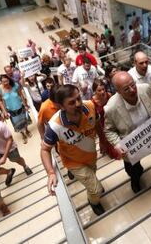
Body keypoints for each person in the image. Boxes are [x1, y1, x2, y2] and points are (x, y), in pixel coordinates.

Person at [41, 85, 106, 215]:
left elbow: (97, 123)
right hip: (73, 162)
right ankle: (94, 202)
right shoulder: (55, 126)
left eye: (78, 98)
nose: (78, 104)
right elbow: (45, 150)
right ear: (61, 106)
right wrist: (51, 173)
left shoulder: (90, 107)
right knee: (96, 189)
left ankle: (93, 191)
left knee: (92, 178)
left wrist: (103, 141)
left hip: (90, 155)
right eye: (71, 102)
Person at [104, 72, 151, 193]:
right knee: (134, 170)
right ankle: (135, 180)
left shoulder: (145, 88)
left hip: (149, 138)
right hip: (131, 145)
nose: (133, 90)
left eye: (133, 85)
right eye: (126, 89)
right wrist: (118, 145)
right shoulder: (111, 108)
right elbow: (108, 130)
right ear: (118, 91)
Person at [0, 74, 32, 143]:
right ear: (1, 82)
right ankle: (23, 134)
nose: (6, 83)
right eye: (3, 82)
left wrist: (25, 105)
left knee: (25, 119)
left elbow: (21, 94)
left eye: (7, 81)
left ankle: (27, 130)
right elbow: (0, 101)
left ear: (9, 80)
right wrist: (4, 111)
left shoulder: (15, 85)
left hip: (20, 106)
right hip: (11, 110)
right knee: (16, 124)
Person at [92, 79, 120, 160]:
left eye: (103, 89)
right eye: (99, 90)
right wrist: (101, 138)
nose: (102, 92)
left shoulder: (109, 95)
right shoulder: (92, 102)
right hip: (102, 125)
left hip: (113, 120)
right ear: (94, 91)